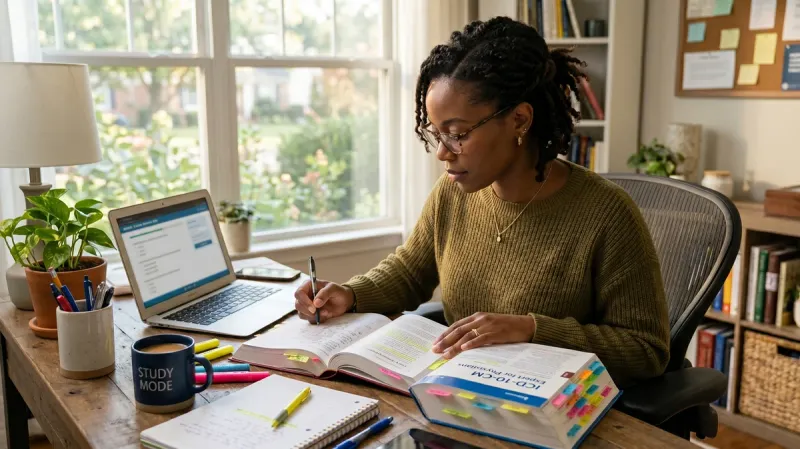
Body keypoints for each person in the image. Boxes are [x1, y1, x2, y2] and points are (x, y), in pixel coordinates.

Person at [294, 16, 670, 387]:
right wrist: (351, 294)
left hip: (552, 413)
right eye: (436, 133)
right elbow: (411, 271)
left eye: (458, 134)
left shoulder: (607, 214)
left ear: (520, 120)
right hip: (459, 395)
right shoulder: (453, 193)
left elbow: (646, 350)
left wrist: (531, 329)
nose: (443, 152)